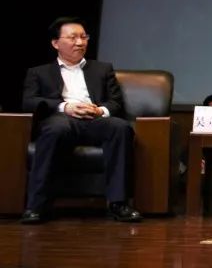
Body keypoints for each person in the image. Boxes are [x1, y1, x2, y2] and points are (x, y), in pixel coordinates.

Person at [20, 17, 142, 224]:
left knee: (120, 127)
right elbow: (29, 102)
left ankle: (119, 203)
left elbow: (115, 102)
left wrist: (99, 110)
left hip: (95, 120)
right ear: (55, 43)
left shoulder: (103, 69)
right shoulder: (38, 72)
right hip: (61, 119)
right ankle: (36, 206)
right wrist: (65, 107)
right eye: (73, 37)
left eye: (84, 37)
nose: (80, 42)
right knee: (55, 130)